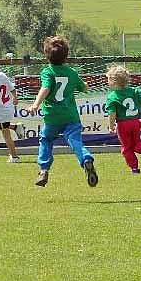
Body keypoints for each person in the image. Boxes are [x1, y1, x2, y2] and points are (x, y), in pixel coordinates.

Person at [27, 36, 97, 187]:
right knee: (75, 140)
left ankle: (44, 170)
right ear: (66, 56)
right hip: (70, 116)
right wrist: (86, 85)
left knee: (46, 140)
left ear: (46, 56)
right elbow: (83, 87)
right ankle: (86, 158)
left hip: (53, 117)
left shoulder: (48, 72)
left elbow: (45, 88)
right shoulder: (72, 72)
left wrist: (36, 104)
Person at [105, 65, 141, 174]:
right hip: (135, 122)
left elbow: (112, 113)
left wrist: (111, 126)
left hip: (123, 124)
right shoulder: (133, 91)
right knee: (137, 143)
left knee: (127, 148)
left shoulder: (112, 96)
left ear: (113, 81)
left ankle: (134, 168)